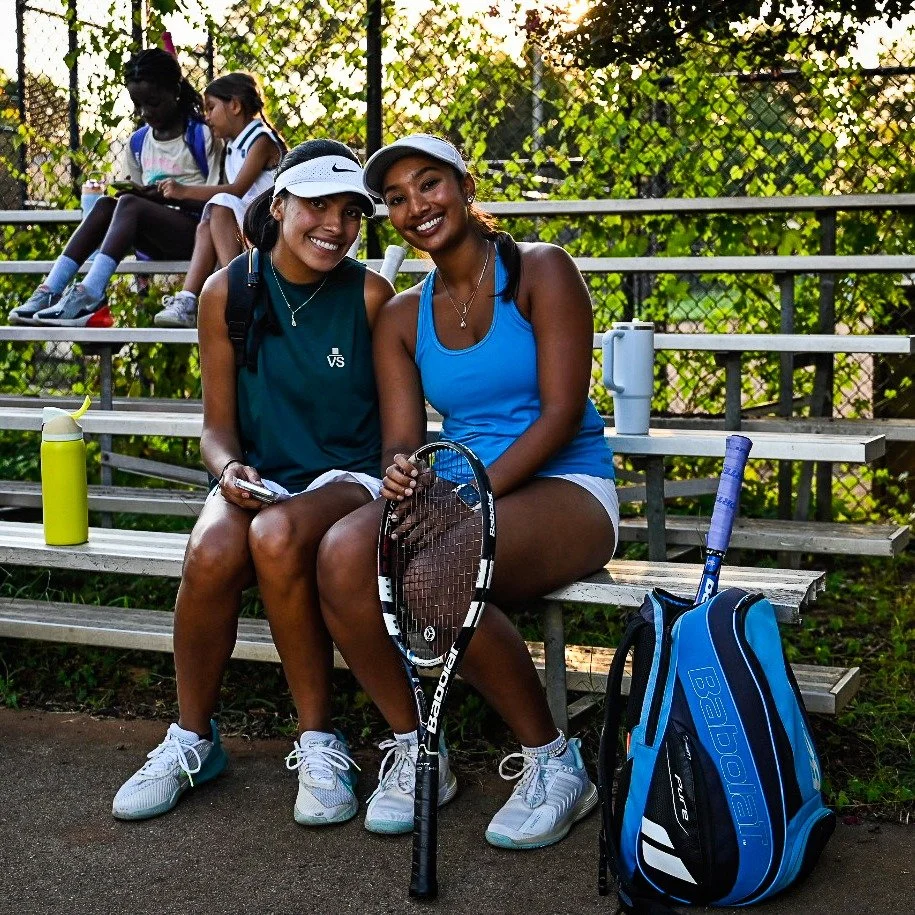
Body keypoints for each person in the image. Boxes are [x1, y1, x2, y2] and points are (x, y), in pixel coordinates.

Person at [317, 134, 619, 849]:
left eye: (429, 184)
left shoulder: (541, 270)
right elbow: (401, 439)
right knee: (338, 553)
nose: (415, 205)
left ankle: (555, 763)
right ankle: (417, 748)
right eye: (395, 198)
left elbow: (559, 413)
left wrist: (470, 499)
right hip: (456, 490)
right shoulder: (399, 314)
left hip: (564, 484)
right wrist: (401, 474)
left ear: (464, 183)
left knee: (434, 573)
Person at [112, 140, 394, 824]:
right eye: (317, 205)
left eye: (350, 211)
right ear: (280, 206)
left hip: (348, 477)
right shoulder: (226, 289)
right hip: (263, 475)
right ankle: (192, 737)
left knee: (274, 536)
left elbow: (393, 435)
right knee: (210, 552)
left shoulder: (369, 292)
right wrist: (226, 468)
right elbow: (217, 427)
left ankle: (319, 739)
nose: (334, 223)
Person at [9, 48, 222, 328]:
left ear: (175, 91)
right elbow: (141, 200)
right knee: (107, 204)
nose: (146, 112)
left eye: (153, 103)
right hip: (155, 237)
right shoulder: (138, 142)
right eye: (138, 105)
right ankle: (49, 290)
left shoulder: (202, 135)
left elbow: (220, 201)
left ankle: (90, 294)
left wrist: (160, 195)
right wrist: (141, 194)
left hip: (197, 238)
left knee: (131, 204)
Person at [154, 71, 286, 328]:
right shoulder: (233, 147)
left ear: (235, 106)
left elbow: (236, 190)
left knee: (221, 203)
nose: (207, 116)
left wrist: (183, 191)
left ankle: (240, 289)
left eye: (211, 108)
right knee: (206, 223)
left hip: (274, 224)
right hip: (250, 225)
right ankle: (188, 299)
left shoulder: (260, 140)